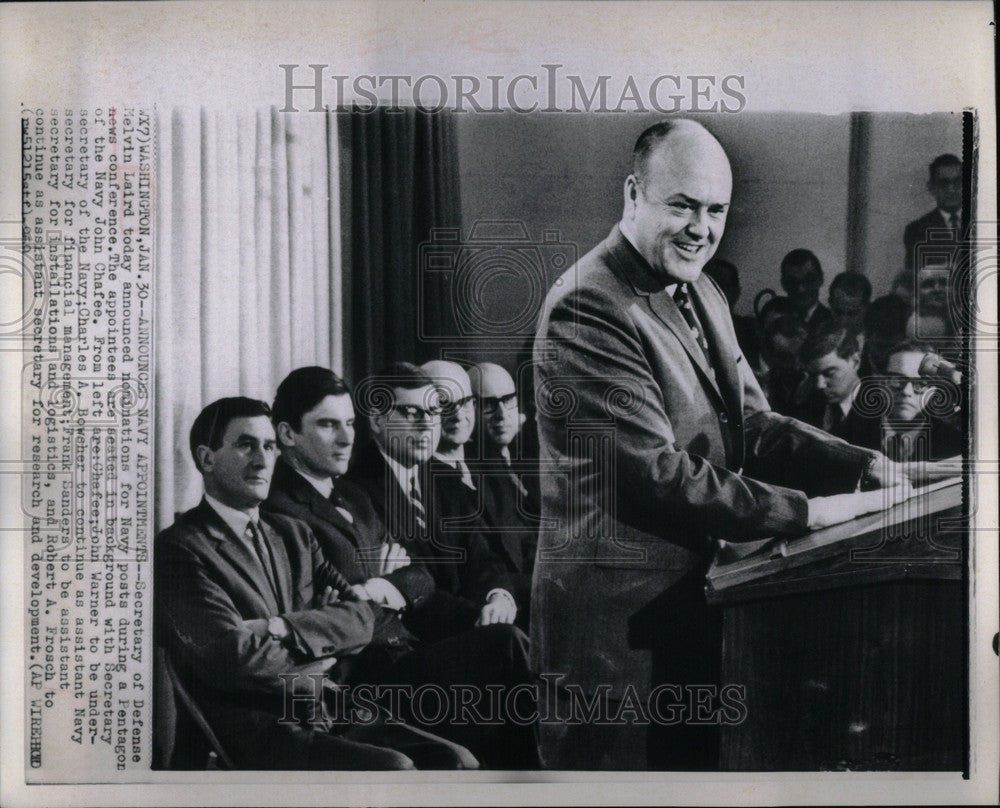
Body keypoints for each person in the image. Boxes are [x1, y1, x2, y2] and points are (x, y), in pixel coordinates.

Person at [531, 119, 909, 770]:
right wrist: (808, 512)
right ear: (632, 194)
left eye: (715, 210)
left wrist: (867, 465)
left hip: (702, 604)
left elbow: (753, 425)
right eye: (681, 204)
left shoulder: (700, 287)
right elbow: (653, 473)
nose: (700, 227)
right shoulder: (588, 306)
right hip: (618, 639)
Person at [155, 397, 476, 770]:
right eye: (246, 445)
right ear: (207, 458)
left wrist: (283, 627)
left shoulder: (294, 534)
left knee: (456, 761)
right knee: (396, 769)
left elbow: (364, 616)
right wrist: (323, 643)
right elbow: (235, 658)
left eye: (270, 446)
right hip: (256, 728)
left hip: (328, 708)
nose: (262, 460)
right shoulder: (180, 547)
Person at [264, 367, 539, 769]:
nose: (345, 438)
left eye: (348, 424)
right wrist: (378, 584)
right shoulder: (281, 510)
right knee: (506, 646)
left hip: (406, 649)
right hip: (364, 674)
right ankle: (535, 784)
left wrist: (382, 583)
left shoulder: (351, 496)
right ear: (288, 434)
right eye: (327, 425)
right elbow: (339, 601)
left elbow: (419, 576)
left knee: (507, 652)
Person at [346, 362, 519, 640]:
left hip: (473, 628)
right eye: (412, 412)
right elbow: (412, 586)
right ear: (377, 420)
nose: (427, 424)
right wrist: (479, 618)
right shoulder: (356, 491)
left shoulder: (445, 479)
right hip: (415, 642)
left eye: (433, 411)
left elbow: (481, 559)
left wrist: (498, 598)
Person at [467, 362, 541, 621]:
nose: (501, 414)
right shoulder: (468, 474)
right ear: (469, 409)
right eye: (488, 404)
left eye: (508, 400)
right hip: (515, 595)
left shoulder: (529, 458)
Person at [799, 325, 881, 450]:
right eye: (813, 375)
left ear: (855, 362)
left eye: (829, 374)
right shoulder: (807, 406)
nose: (819, 385)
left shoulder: (881, 412)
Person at [881, 342, 963, 462]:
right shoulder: (853, 433)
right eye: (897, 380)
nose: (906, 391)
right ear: (882, 383)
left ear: (935, 391)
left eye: (921, 383)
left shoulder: (954, 443)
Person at [904, 154, 963, 273]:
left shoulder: (983, 222)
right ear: (931, 188)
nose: (951, 189)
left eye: (957, 182)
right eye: (943, 183)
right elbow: (916, 278)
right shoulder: (916, 231)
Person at [704, 256, 761, 368]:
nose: (713, 293)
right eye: (706, 286)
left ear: (736, 292)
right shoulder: (684, 324)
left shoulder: (749, 332)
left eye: (721, 286)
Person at [780, 248, 831, 335]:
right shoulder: (773, 317)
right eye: (793, 282)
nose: (801, 289)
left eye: (809, 280)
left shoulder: (832, 323)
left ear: (821, 279)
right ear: (783, 284)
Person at [827, 271, 872, 338]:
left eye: (852, 314)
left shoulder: (876, 341)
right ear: (830, 304)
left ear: (866, 308)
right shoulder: (817, 333)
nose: (843, 321)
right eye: (838, 312)